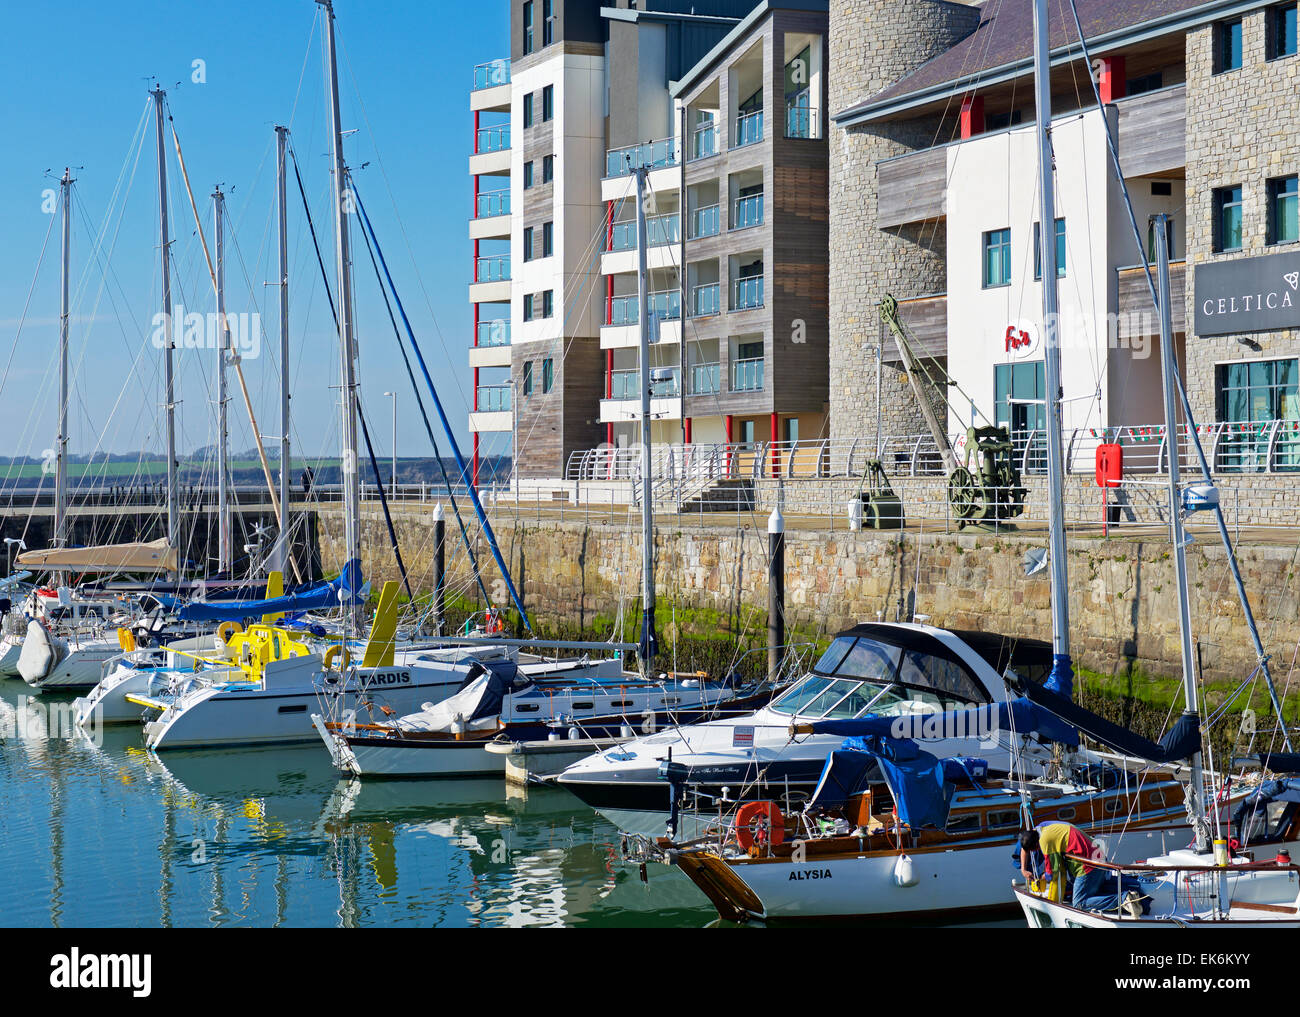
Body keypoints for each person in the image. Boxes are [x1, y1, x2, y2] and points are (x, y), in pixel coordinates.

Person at [1021, 823, 1143, 913]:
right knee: (1091, 891)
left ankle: (1124, 899)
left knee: (1079, 904)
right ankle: (1126, 895)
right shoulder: (1045, 829)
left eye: (1034, 849)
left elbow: (1052, 873)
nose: (1037, 851)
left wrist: (1040, 878)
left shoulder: (1045, 841)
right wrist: (1023, 869)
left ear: (1036, 844)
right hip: (1099, 860)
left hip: (1088, 867)